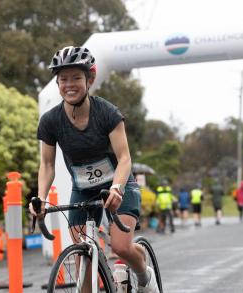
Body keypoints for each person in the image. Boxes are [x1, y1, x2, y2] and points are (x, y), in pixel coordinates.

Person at [29, 46, 159, 292]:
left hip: (119, 185)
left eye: (76, 78)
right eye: (63, 79)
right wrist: (41, 199)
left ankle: (143, 275)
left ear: (89, 79)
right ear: (57, 83)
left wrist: (117, 188)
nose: (69, 84)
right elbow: (46, 165)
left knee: (120, 247)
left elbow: (124, 158)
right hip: (84, 190)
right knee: (83, 260)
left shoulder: (107, 113)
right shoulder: (50, 121)